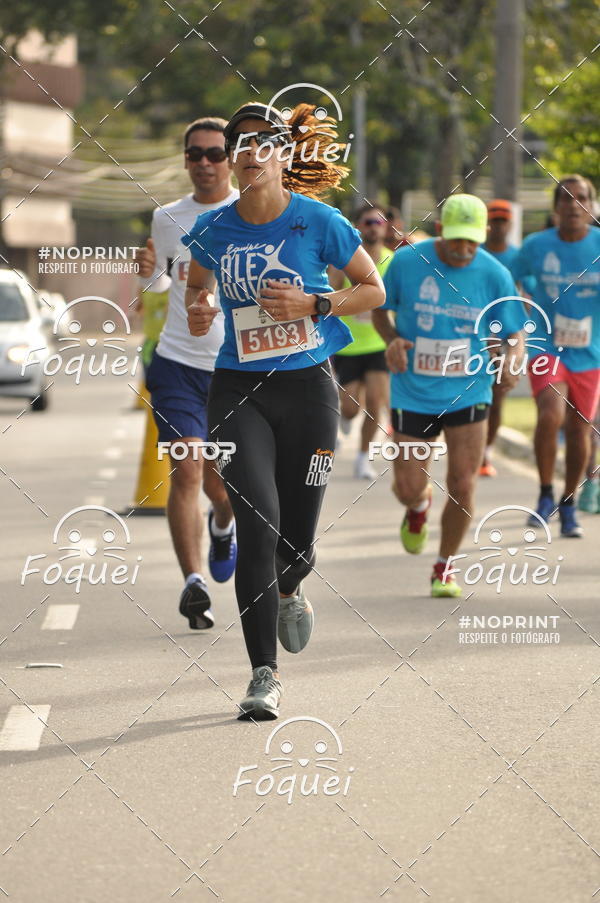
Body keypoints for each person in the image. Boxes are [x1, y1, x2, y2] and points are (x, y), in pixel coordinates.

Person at [182, 102, 385, 719]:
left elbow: (373, 289)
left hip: (310, 392)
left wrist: (315, 305)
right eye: (237, 145)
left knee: (296, 544)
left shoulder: (319, 222)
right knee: (259, 526)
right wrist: (199, 310)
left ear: (283, 152)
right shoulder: (215, 231)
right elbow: (197, 288)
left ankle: (292, 585)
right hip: (238, 390)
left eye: (259, 143)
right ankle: (262, 674)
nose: (246, 154)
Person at [372, 194, 524, 597]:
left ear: (483, 236)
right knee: (407, 486)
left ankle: (445, 568)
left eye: (472, 242)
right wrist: (391, 340)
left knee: (462, 483)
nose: (463, 250)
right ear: (440, 231)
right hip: (413, 390)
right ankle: (418, 508)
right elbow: (376, 307)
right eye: (456, 241)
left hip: (468, 390)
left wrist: (513, 361)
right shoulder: (407, 262)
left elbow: (515, 331)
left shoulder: (494, 273)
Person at [137, 117, 239, 631]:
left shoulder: (250, 213)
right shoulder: (166, 218)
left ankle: (223, 523)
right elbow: (158, 288)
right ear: (185, 159)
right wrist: (146, 271)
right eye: (195, 154)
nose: (204, 163)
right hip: (177, 363)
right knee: (188, 469)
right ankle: (193, 582)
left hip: (233, 369)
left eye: (215, 154)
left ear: (231, 157)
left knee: (222, 487)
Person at [513, 174, 600, 537]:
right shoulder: (536, 246)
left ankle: (568, 502)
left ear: (591, 206)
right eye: (564, 198)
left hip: (590, 351)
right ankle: (546, 492)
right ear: (555, 208)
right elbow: (507, 281)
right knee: (550, 413)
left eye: (580, 198)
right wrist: (517, 322)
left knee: (581, 429)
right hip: (547, 346)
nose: (572, 205)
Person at [331, 203, 393, 479]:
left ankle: (362, 457)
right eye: (368, 222)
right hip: (349, 344)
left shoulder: (393, 260)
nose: (373, 227)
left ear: (385, 228)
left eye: (378, 222)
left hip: (379, 343)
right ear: (357, 227)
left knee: (376, 401)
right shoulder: (346, 259)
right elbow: (329, 292)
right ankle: (344, 417)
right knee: (350, 407)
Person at [480, 199, 535, 477]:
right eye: (494, 219)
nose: (499, 225)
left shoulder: (517, 257)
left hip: (506, 336)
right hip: (475, 335)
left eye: (503, 220)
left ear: (510, 224)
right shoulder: (474, 252)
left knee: (499, 396)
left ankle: (485, 453)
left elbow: (529, 294)